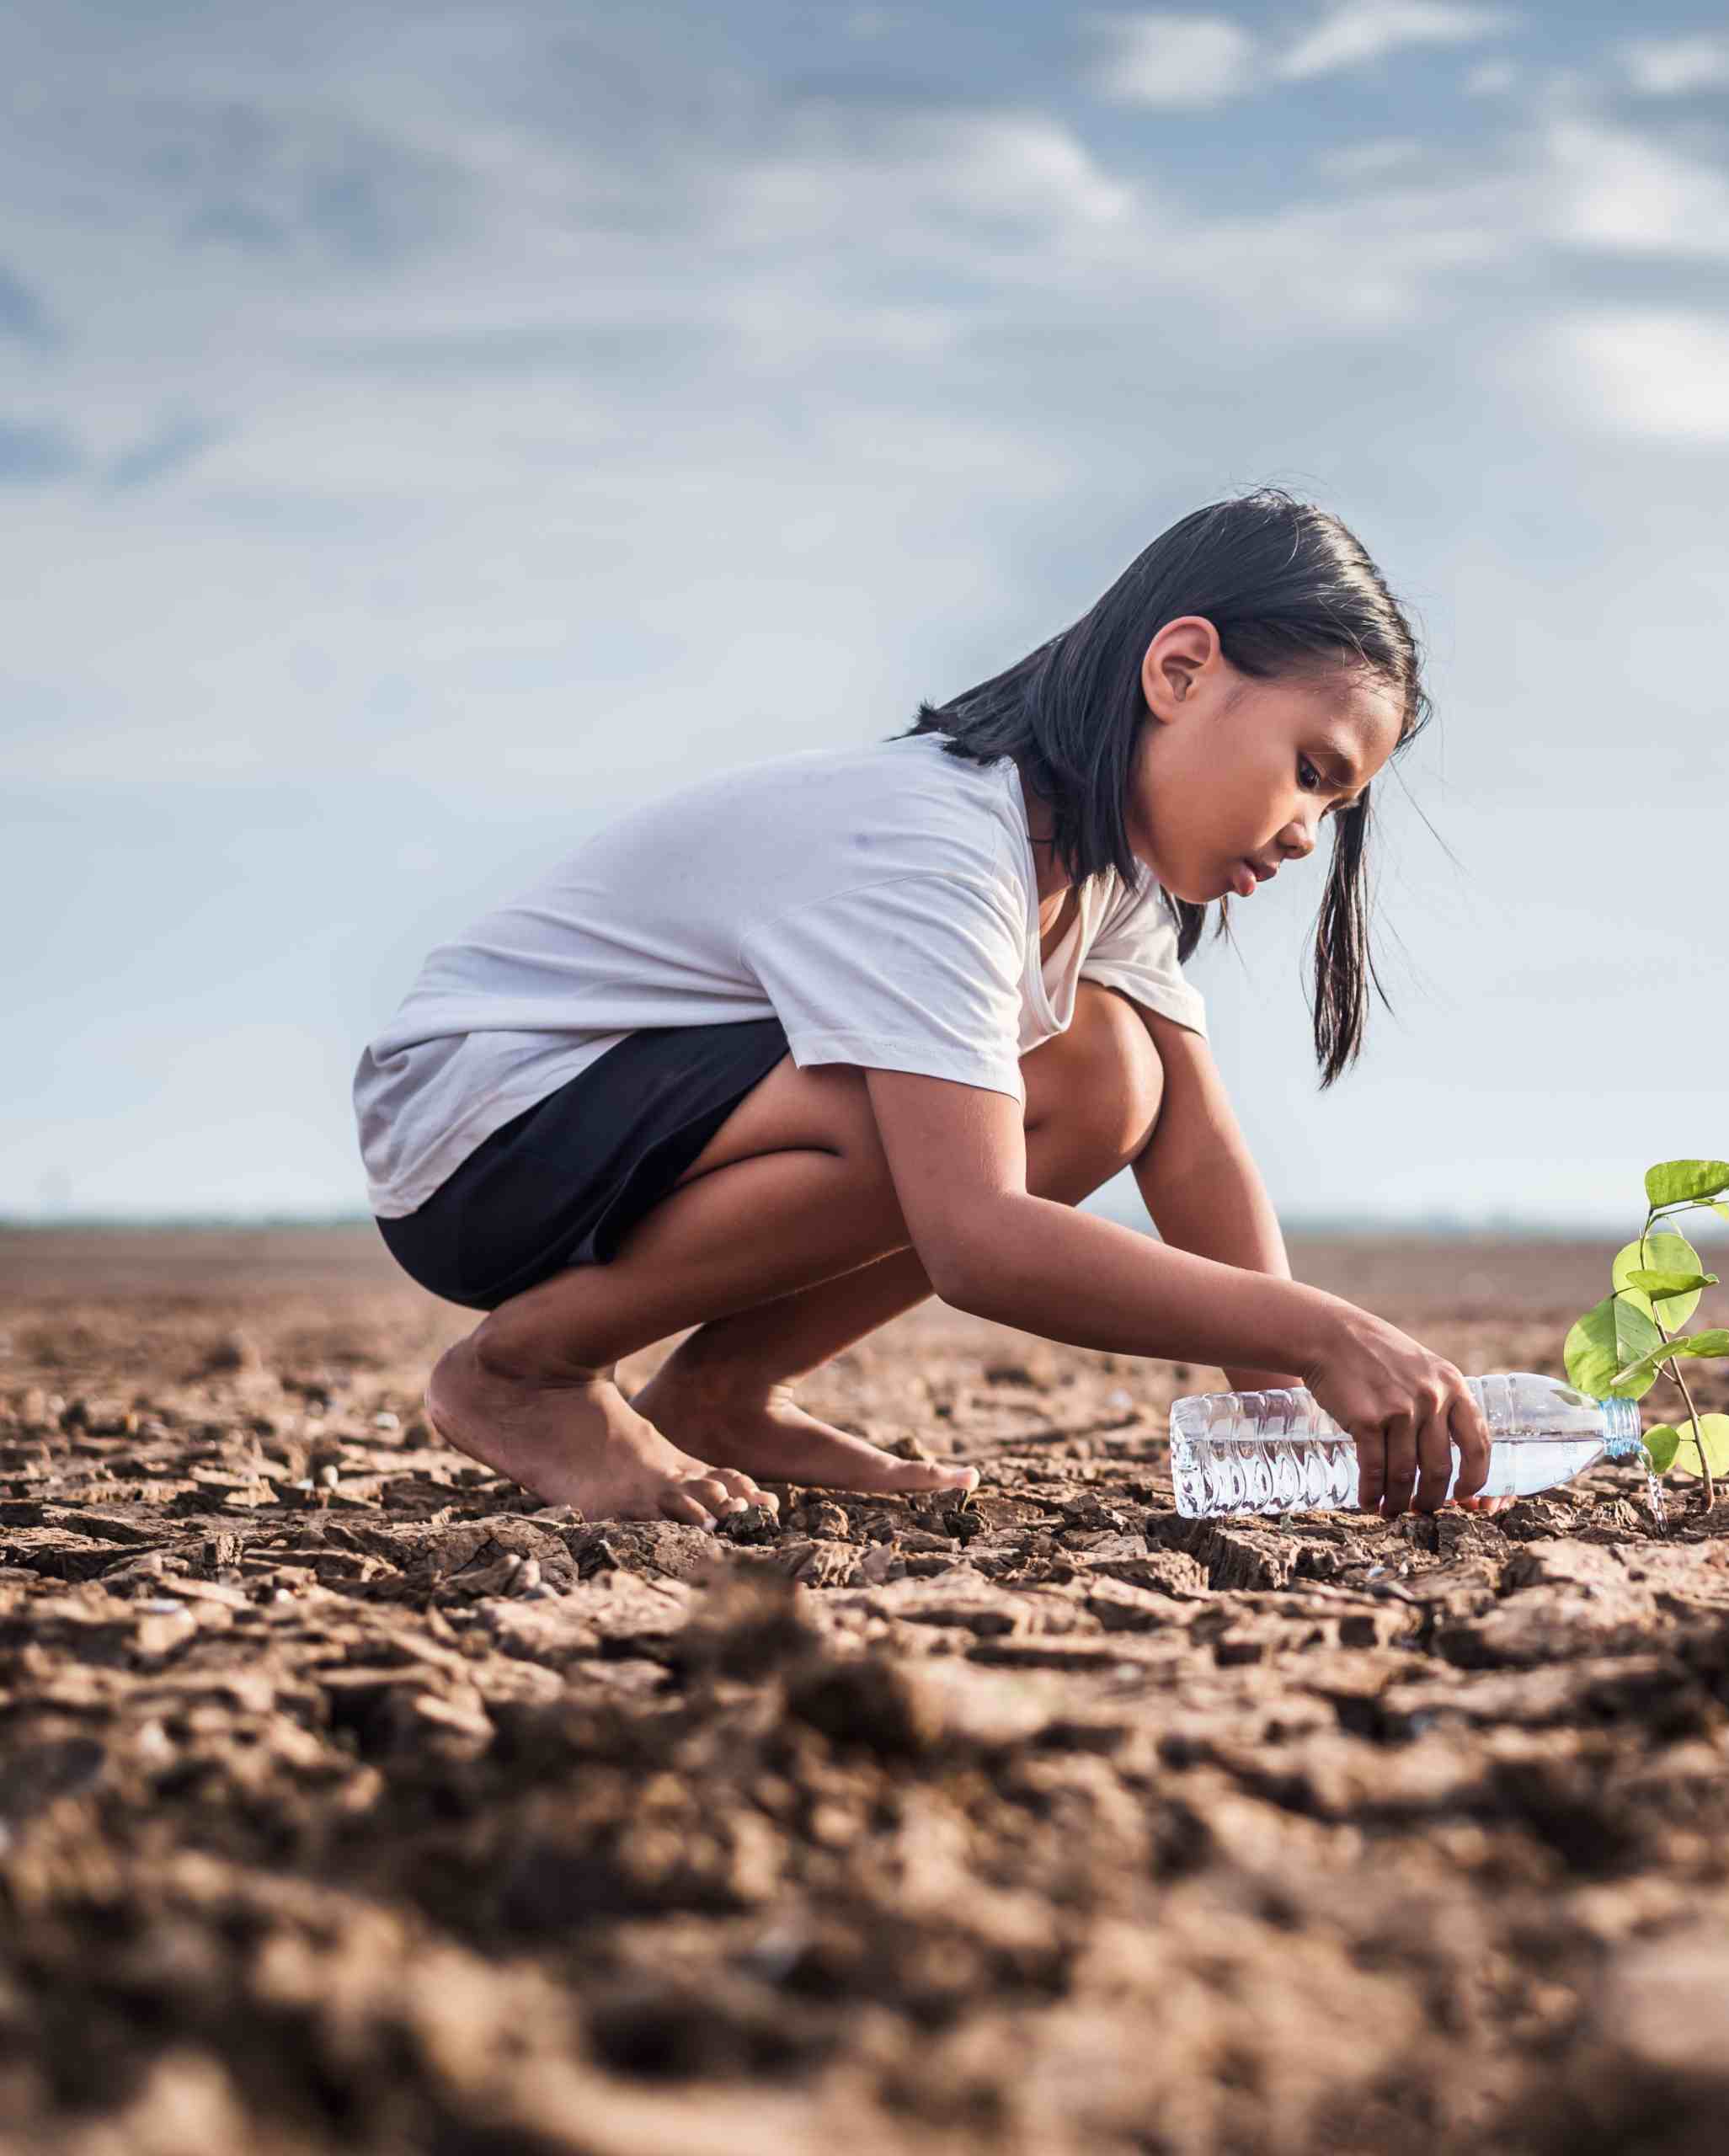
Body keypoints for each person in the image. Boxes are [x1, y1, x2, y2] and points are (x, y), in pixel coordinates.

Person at [352, 488, 1498, 1527]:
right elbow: (978, 1241)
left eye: (1335, 808)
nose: (1309, 834)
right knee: (923, 1112)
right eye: (1311, 771)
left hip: (619, 1118)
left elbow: (1193, 1148)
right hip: (485, 1129)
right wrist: (1323, 1334)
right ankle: (526, 1371)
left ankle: (719, 1391)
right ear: (1181, 671)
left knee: (1107, 1076)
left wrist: (1291, 1420)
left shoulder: (1101, 873)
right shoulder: (942, 844)